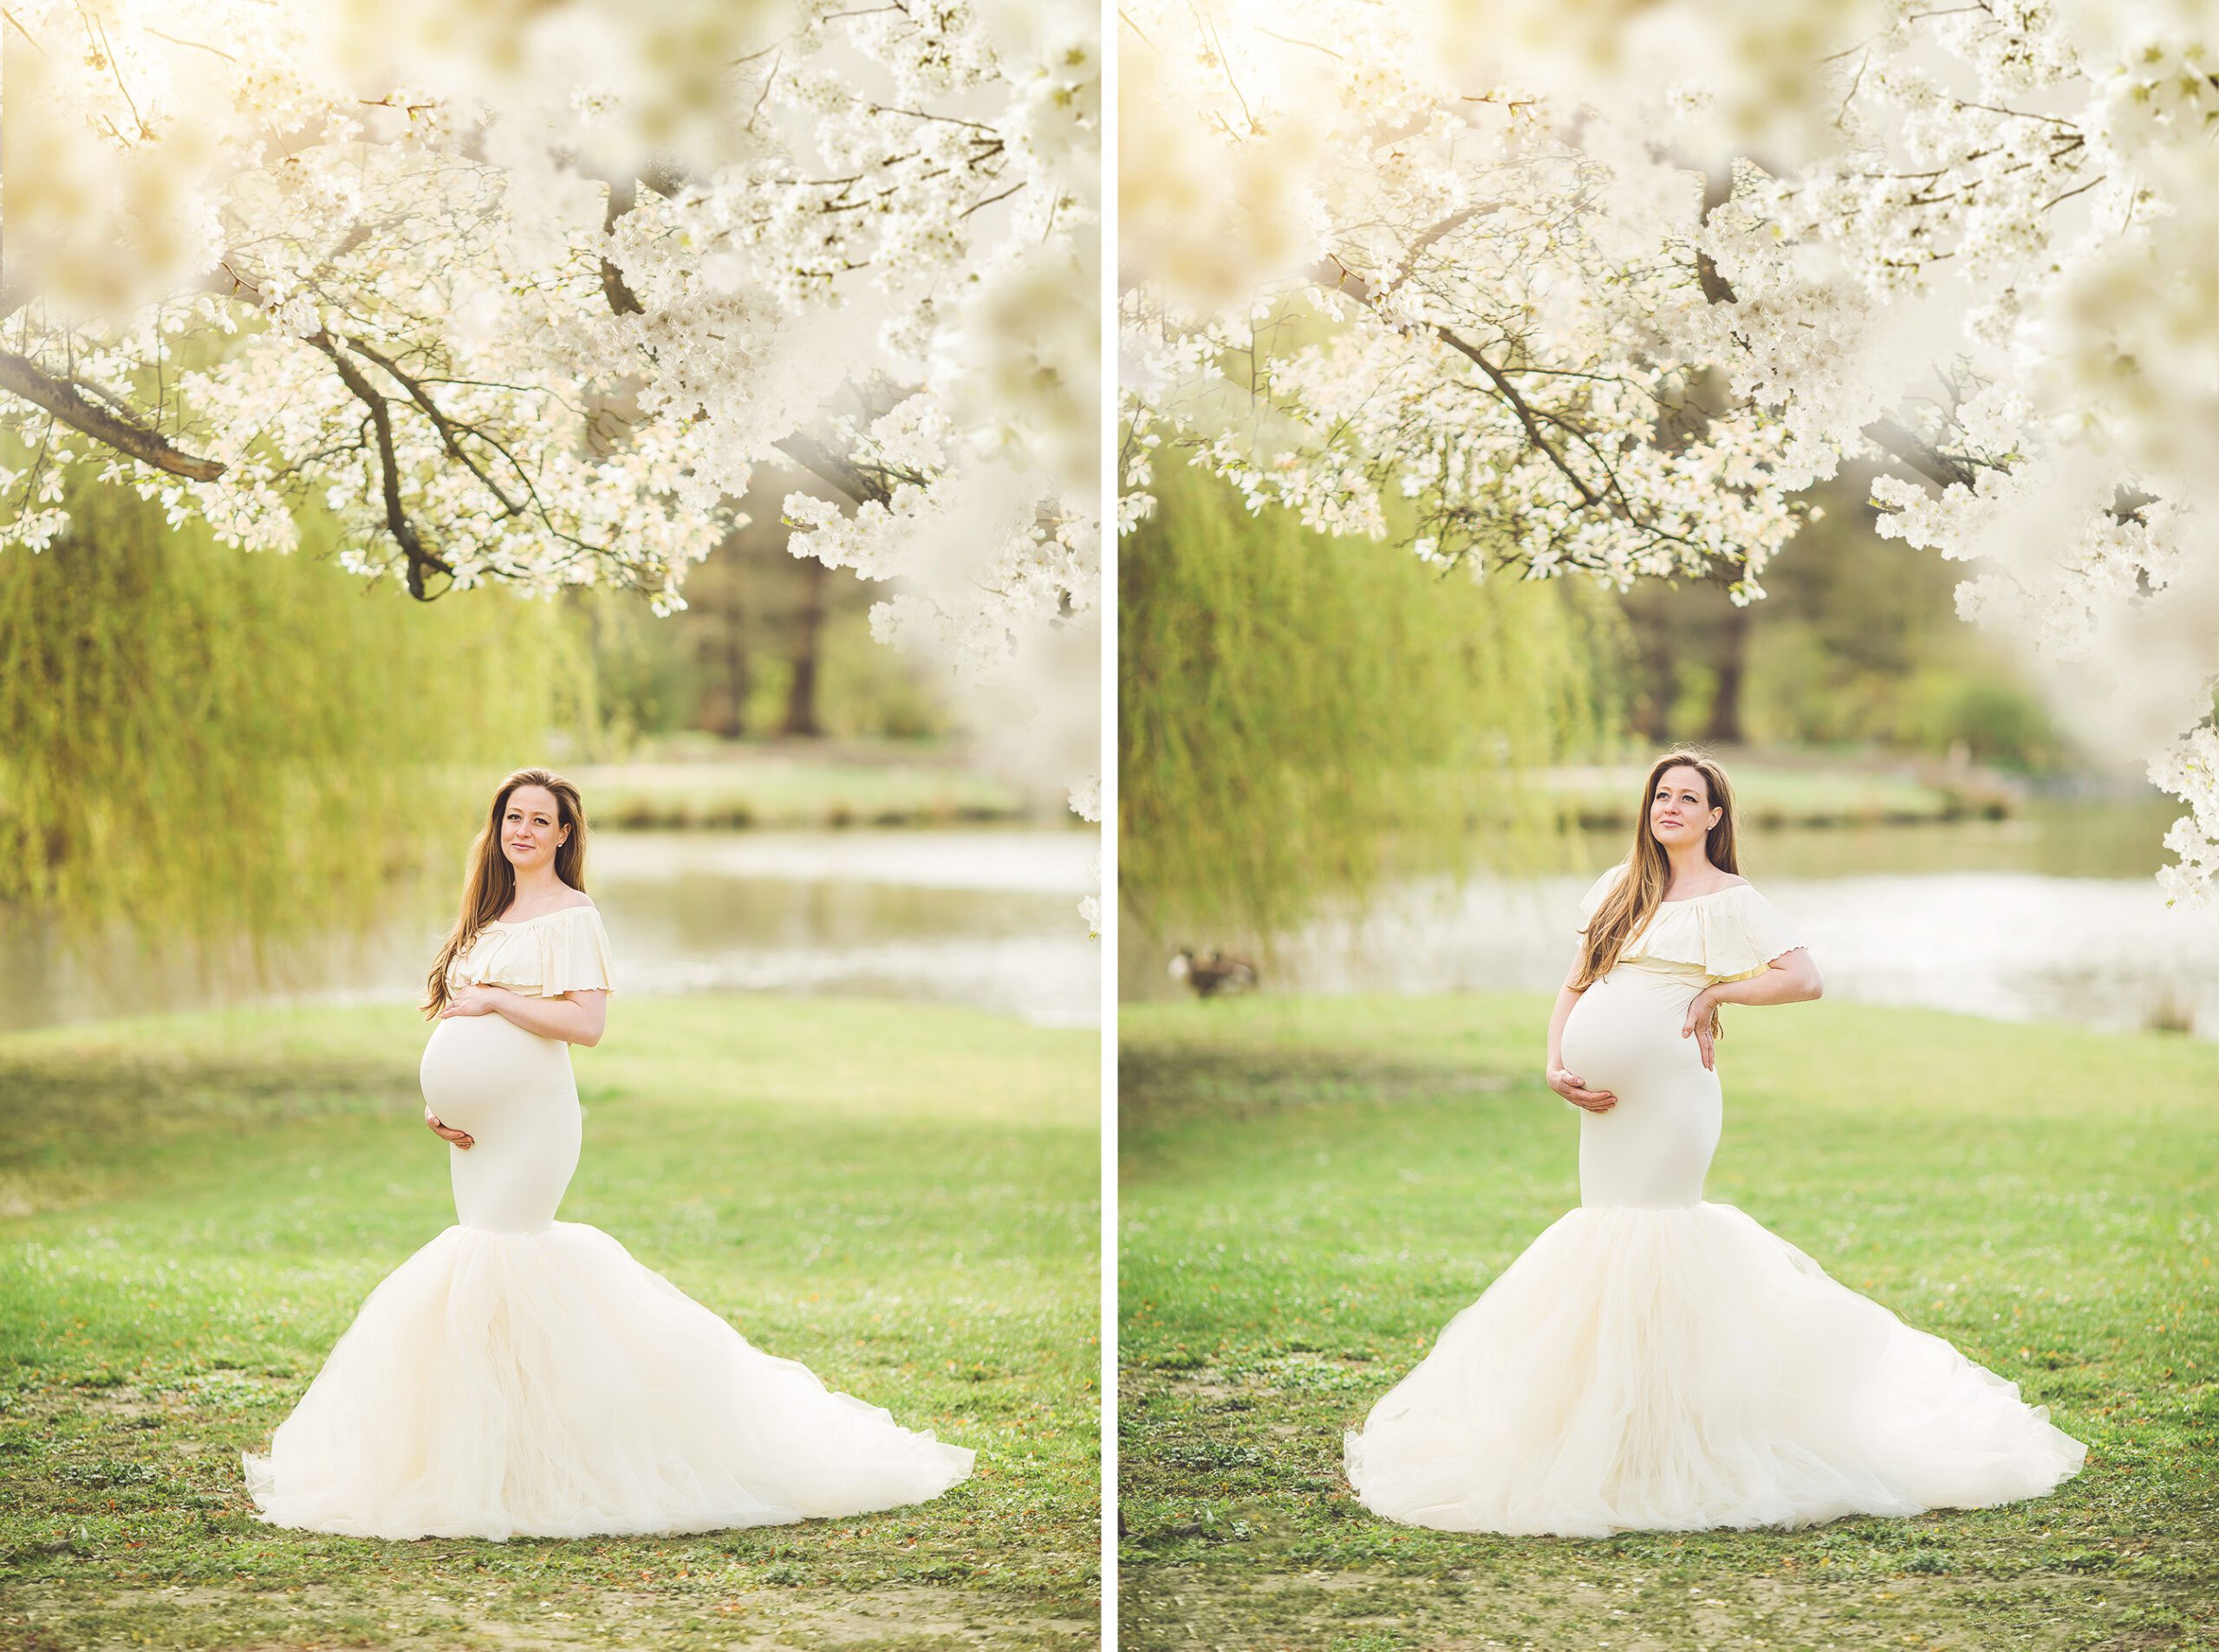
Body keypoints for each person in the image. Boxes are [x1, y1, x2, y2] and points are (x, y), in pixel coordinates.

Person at [1343, 749, 2084, 1537]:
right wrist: (1555, 1062)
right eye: (1661, 795)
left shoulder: (1731, 899)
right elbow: (1575, 982)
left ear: (1714, 816)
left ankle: (1678, 1440)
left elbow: (1804, 977)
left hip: (1673, 1104)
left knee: (1658, 1240)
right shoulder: (1619, 885)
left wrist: (1718, 991)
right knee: (1606, 1241)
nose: (1670, 807)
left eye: (1687, 798)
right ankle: (1616, 1434)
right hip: (1604, 1107)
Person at [244, 768, 973, 1539]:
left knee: (503, 1264)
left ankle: (556, 1464)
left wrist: (493, 1004)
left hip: (534, 1127)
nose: (521, 831)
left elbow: (585, 1025)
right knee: (486, 1287)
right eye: (511, 817)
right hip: (474, 1135)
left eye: (539, 820)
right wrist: (443, 1099)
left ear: (564, 834)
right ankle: (501, 1459)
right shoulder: (487, 913)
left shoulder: (573, 914)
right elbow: (460, 1021)